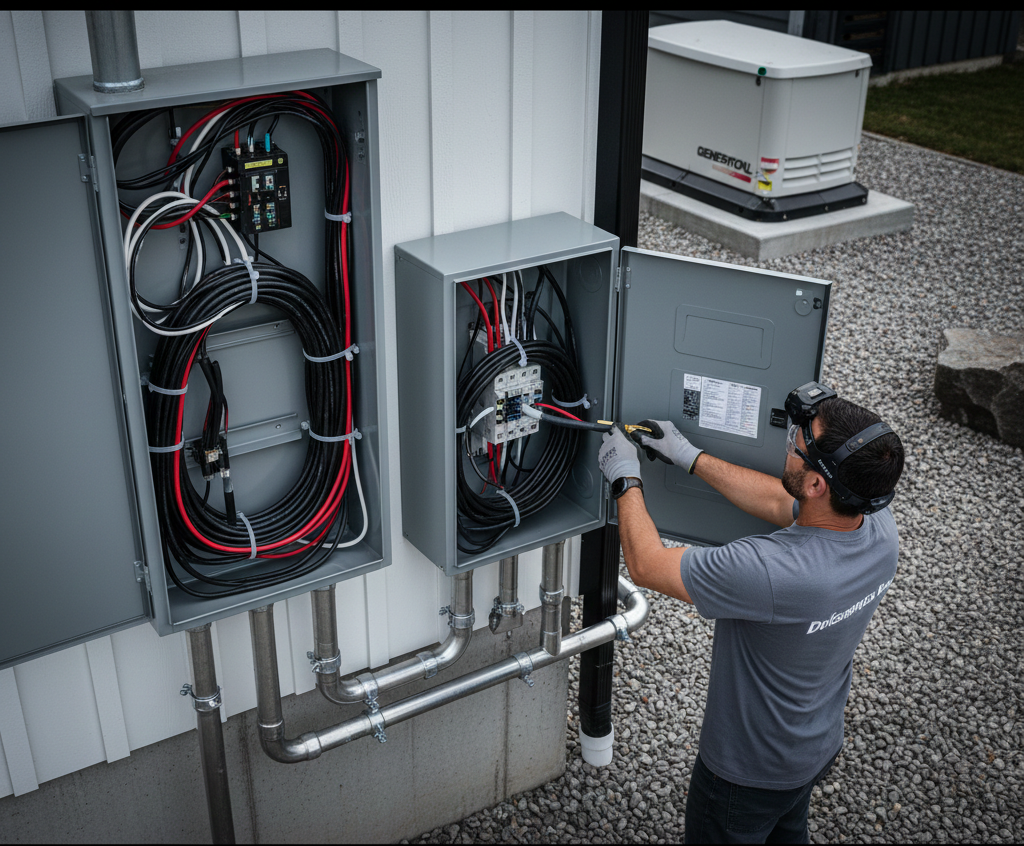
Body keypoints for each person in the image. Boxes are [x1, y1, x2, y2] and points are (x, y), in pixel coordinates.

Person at [597, 382, 905, 844]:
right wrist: (689, 456)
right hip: (812, 746)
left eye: (796, 448)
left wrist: (625, 477)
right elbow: (784, 501)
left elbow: (645, 565)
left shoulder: (769, 570)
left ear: (818, 484)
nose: (789, 448)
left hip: (746, 774)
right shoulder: (879, 529)